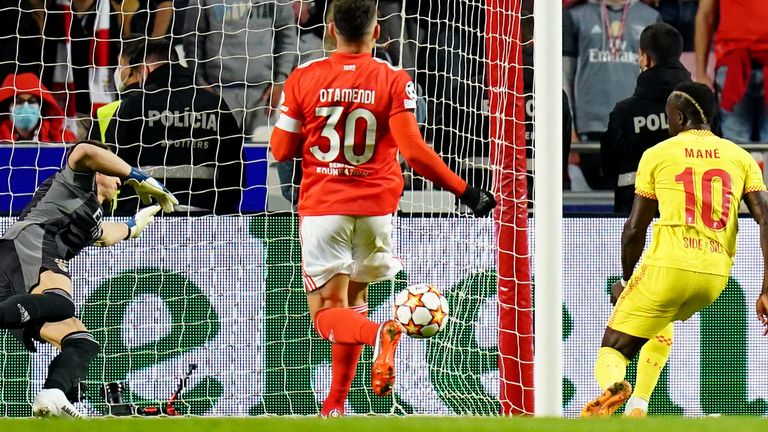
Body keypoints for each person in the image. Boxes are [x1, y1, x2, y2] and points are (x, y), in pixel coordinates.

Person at [269, 0, 496, 417]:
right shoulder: (395, 78)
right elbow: (415, 151)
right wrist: (465, 191)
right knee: (354, 302)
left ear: (331, 29)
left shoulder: (303, 78)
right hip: (376, 210)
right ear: (377, 33)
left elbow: (281, 148)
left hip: (324, 206)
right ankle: (334, 406)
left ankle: (379, 335)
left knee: (326, 316)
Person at [582, 82, 768, 417]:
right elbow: (766, 217)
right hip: (714, 277)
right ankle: (638, 405)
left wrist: (626, 282)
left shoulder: (657, 154)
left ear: (679, 117)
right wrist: (767, 288)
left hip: (668, 264)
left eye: (669, 118)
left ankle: (615, 387)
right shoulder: (742, 158)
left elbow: (635, 228)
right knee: (660, 315)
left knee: (614, 349)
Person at [0, 140, 177, 417]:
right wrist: (137, 176)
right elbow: (84, 150)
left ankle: (52, 394)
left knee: (81, 341)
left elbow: (106, 235)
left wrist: (133, 226)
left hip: (19, 278)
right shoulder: (74, 183)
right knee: (62, 303)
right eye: (112, 170)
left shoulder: (92, 215)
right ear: (97, 171)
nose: (118, 180)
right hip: (30, 245)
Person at [105, 38, 244, 215]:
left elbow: (111, 164)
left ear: (144, 70)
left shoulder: (133, 105)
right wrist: (221, 212)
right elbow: (235, 168)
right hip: (204, 218)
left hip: (143, 218)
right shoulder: (215, 104)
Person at [563, 0, 660, 190]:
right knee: (584, 213)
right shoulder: (576, 16)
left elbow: (657, 79)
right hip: (587, 130)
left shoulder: (650, 17)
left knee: (630, 210)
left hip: (635, 129)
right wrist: (569, 131)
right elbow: (564, 78)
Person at [601, 23, 691, 214]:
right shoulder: (701, 107)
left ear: (645, 58)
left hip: (634, 212)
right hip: (688, 211)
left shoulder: (624, 112)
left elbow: (608, 167)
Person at [183, 0, 298, 137]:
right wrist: (200, 82)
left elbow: (287, 36)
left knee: (260, 155)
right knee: (219, 154)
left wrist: (280, 80)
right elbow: (192, 39)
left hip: (263, 94)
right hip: (219, 90)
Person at [695, 0, 768, 143]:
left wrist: (701, 71)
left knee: (735, 146)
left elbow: (706, 16)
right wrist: (701, 72)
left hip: (732, 65)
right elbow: (705, 15)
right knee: (734, 146)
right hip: (733, 66)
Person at [0, 72, 78, 143]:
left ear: (40, 107)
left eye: (31, 101)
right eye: (19, 102)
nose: (25, 107)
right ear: (8, 109)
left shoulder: (64, 138)